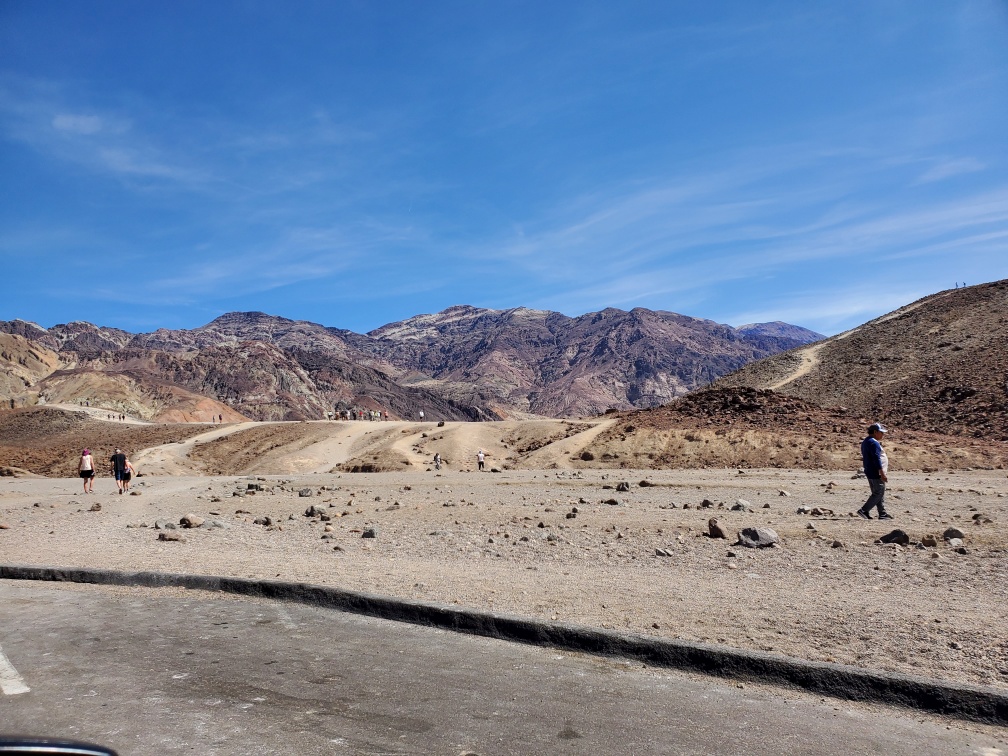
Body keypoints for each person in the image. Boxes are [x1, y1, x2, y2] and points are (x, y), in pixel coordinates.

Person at [857, 423, 891, 520]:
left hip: (870, 471)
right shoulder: (873, 442)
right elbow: (876, 458)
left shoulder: (866, 441)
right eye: (881, 433)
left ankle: (882, 514)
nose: (882, 435)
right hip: (876, 472)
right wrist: (882, 472)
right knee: (879, 493)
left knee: (878, 493)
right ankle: (864, 510)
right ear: (875, 432)